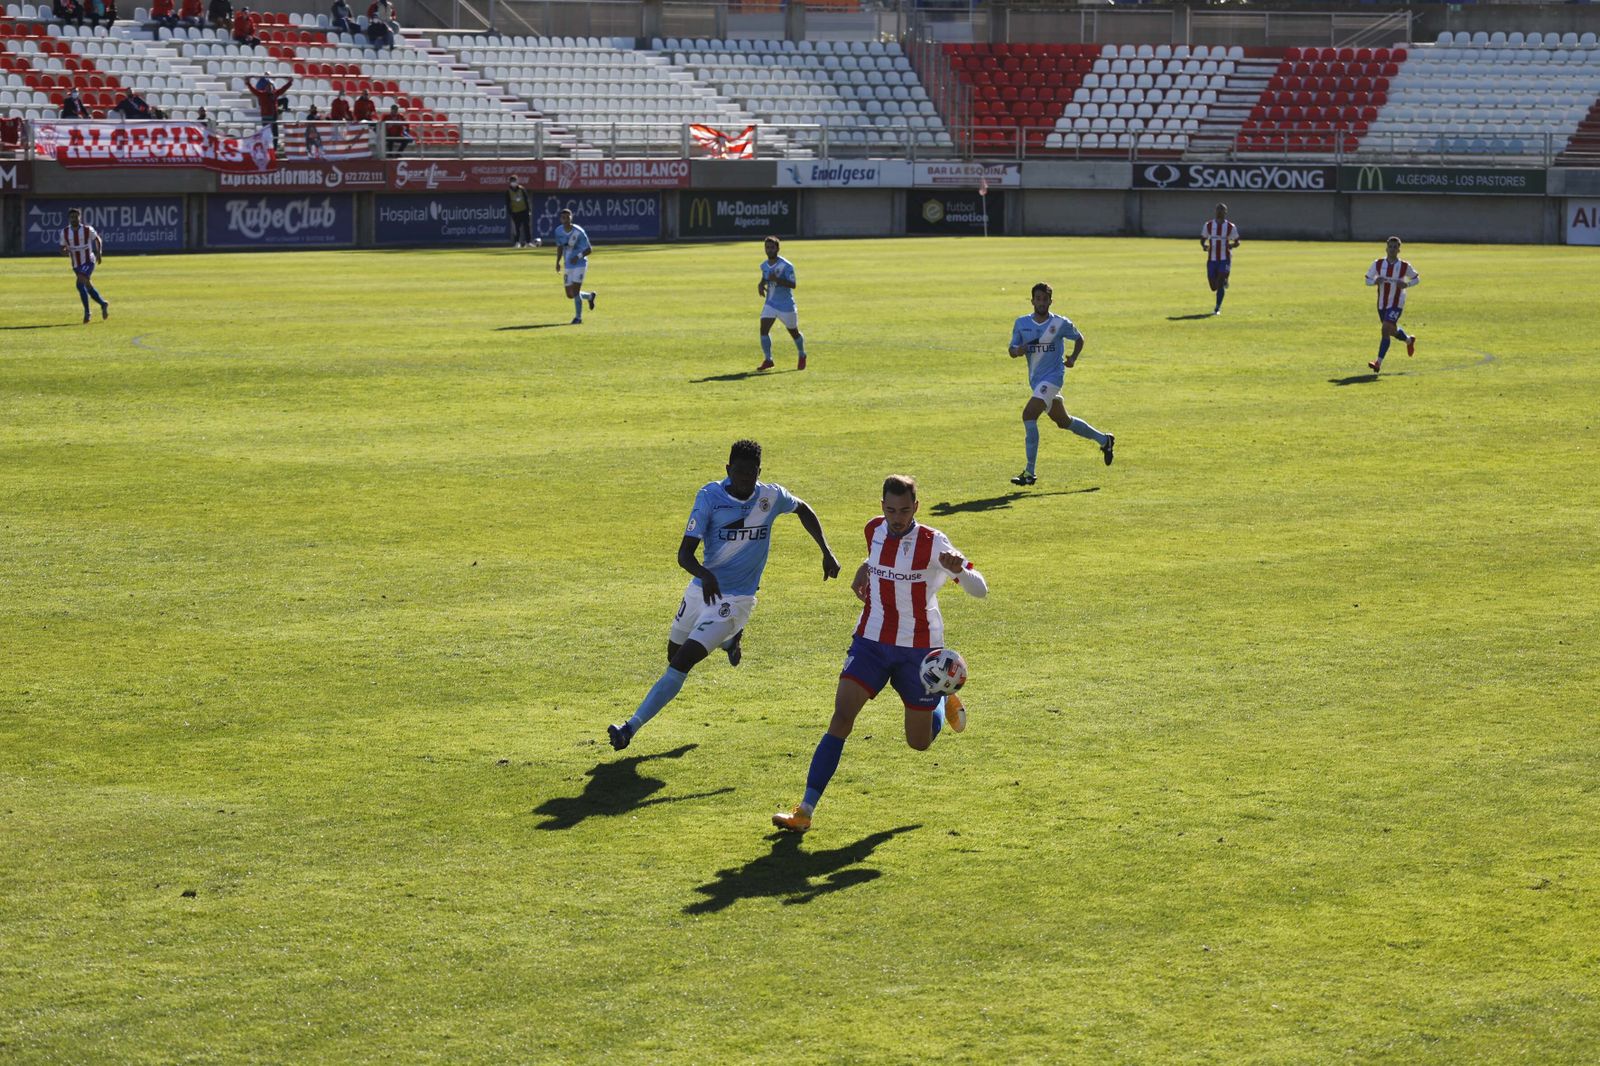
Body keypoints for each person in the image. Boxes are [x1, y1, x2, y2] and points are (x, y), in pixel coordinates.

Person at [772, 474, 987, 834]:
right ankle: (805, 810)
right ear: (881, 506)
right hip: (871, 640)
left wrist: (959, 572)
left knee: (918, 743)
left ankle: (942, 697)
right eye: (890, 509)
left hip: (918, 651)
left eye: (904, 510)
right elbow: (880, 557)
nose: (897, 517)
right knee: (841, 717)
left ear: (916, 507)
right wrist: (864, 568)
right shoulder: (874, 529)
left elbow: (980, 589)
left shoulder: (935, 543)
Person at [608, 439, 840, 753]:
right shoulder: (710, 497)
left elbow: (803, 509)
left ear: (760, 471)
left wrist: (826, 551)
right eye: (739, 472)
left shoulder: (771, 496)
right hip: (702, 589)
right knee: (672, 654)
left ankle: (628, 729)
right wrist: (705, 575)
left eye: (751, 473)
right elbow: (684, 555)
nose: (745, 479)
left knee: (680, 663)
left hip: (737, 600)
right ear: (728, 469)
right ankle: (728, 640)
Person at [1007, 281, 1112, 486]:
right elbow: (1012, 349)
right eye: (1038, 299)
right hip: (1037, 382)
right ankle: (1104, 440)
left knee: (1029, 414)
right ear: (1032, 301)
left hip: (1053, 378)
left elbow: (1079, 338)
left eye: (1045, 299)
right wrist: (1017, 350)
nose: (1041, 303)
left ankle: (1029, 473)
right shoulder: (1021, 323)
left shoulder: (1059, 324)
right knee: (1064, 422)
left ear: (1050, 301)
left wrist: (1072, 358)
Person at [1365, 236, 1420, 374]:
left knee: (1385, 329)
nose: (1392, 249)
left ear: (1399, 249)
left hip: (1397, 302)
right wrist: (1375, 282)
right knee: (1390, 330)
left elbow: (1417, 279)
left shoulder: (1404, 266)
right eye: (1390, 246)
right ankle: (1408, 340)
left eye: (1395, 247)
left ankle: (1378, 363)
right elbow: (1367, 280)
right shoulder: (1378, 264)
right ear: (1386, 248)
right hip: (1382, 303)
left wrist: (1406, 284)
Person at [755, 235, 807, 371]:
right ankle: (768, 359)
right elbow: (765, 277)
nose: (769, 250)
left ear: (777, 248)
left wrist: (777, 280)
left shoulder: (786, 266)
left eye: (772, 247)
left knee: (793, 332)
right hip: (770, 303)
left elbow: (793, 284)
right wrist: (761, 284)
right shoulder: (764, 265)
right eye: (767, 247)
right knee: (763, 329)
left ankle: (802, 354)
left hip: (786, 305)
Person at [60, 208, 110, 324]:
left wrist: (99, 252)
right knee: (87, 285)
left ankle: (87, 313)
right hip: (76, 264)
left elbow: (97, 239)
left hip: (88, 260)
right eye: (71, 217)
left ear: (80, 217)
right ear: (69, 218)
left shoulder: (87, 229)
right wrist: (64, 251)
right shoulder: (65, 232)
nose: (74, 219)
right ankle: (103, 304)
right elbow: (61, 247)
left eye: (76, 216)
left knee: (79, 284)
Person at [551, 207, 596, 324]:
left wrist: (578, 256)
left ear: (571, 218)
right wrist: (557, 262)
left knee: (576, 291)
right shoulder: (558, 231)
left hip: (580, 264)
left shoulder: (579, 231)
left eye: (567, 217)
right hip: (568, 265)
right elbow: (560, 247)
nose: (565, 219)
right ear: (560, 219)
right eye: (563, 217)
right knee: (569, 294)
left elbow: (589, 249)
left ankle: (578, 318)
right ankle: (589, 296)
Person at [1200, 202, 1240, 316]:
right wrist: (1204, 246)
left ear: (1225, 212)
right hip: (1212, 259)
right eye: (1218, 209)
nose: (1219, 211)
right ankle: (1224, 281)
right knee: (1213, 287)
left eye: (1222, 210)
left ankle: (1217, 308)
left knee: (1220, 282)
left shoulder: (1230, 226)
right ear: (1215, 211)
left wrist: (1232, 245)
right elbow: (1202, 239)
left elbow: (1237, 241)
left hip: (1225, 258)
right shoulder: (1208, 225)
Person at [248, 74, 292, 146]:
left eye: (270, 87)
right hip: (266, 117)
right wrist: (248, 83)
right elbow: (253, 90)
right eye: (268, 87)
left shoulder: (275, 93)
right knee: (266, 133)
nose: (269, 88)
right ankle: (267, 147)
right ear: (265, 88)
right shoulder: (262, 94)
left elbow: (283, 88)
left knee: (275, 133)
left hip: (273, 116)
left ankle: (274, 149)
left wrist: (290, 82)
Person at [506, 176, 532, 248]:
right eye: (512, 181)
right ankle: (517, 242)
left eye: (515, 181)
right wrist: (510, 212)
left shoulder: (522, 189)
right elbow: (508, 203)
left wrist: (528, 210)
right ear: (510, 182)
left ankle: (528, 242)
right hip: (515, 212)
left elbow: (526, 200)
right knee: (517, 228)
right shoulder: (508, 192)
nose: (513, 183)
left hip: (524, 211)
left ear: (517, 182)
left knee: (526, 227)